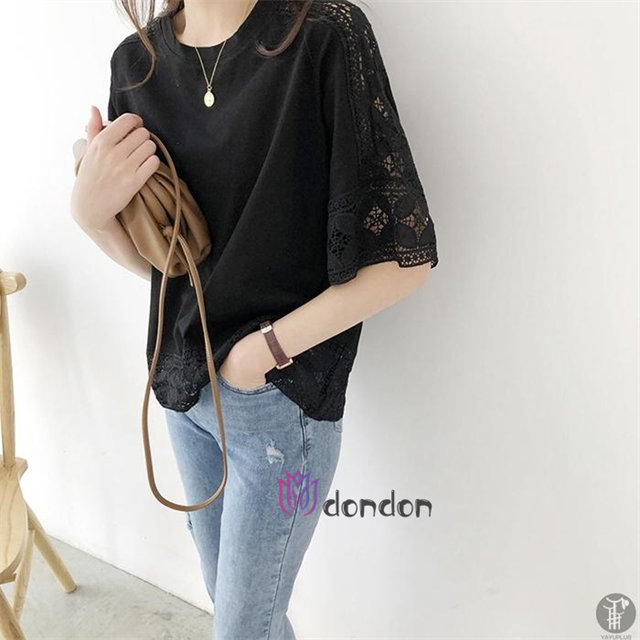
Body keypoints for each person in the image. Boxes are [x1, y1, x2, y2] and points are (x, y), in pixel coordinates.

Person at [70, 0, 439, 637]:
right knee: (242, 614)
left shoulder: (324, 38)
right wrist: (89, 214)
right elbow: (165, 266)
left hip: (280, 413)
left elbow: (404, 262)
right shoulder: (135, 64)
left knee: (242, 626)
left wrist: (261, 352)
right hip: (182, 394)